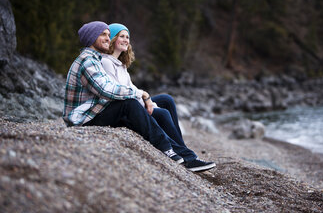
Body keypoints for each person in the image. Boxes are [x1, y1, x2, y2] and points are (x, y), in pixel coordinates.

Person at [62, 21, 215, 172]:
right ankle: (170, 150)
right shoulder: (90, 61)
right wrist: (142, 95)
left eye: (109, 35)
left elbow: (124, 89)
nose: (108, 38)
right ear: (92, 37)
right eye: (104, 34)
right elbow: (107, 90)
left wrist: (146, 100)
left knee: (163, 101)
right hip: (84, 120)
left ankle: (184, 153)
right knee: (132, 104)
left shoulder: (96, 60)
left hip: (96, 112)